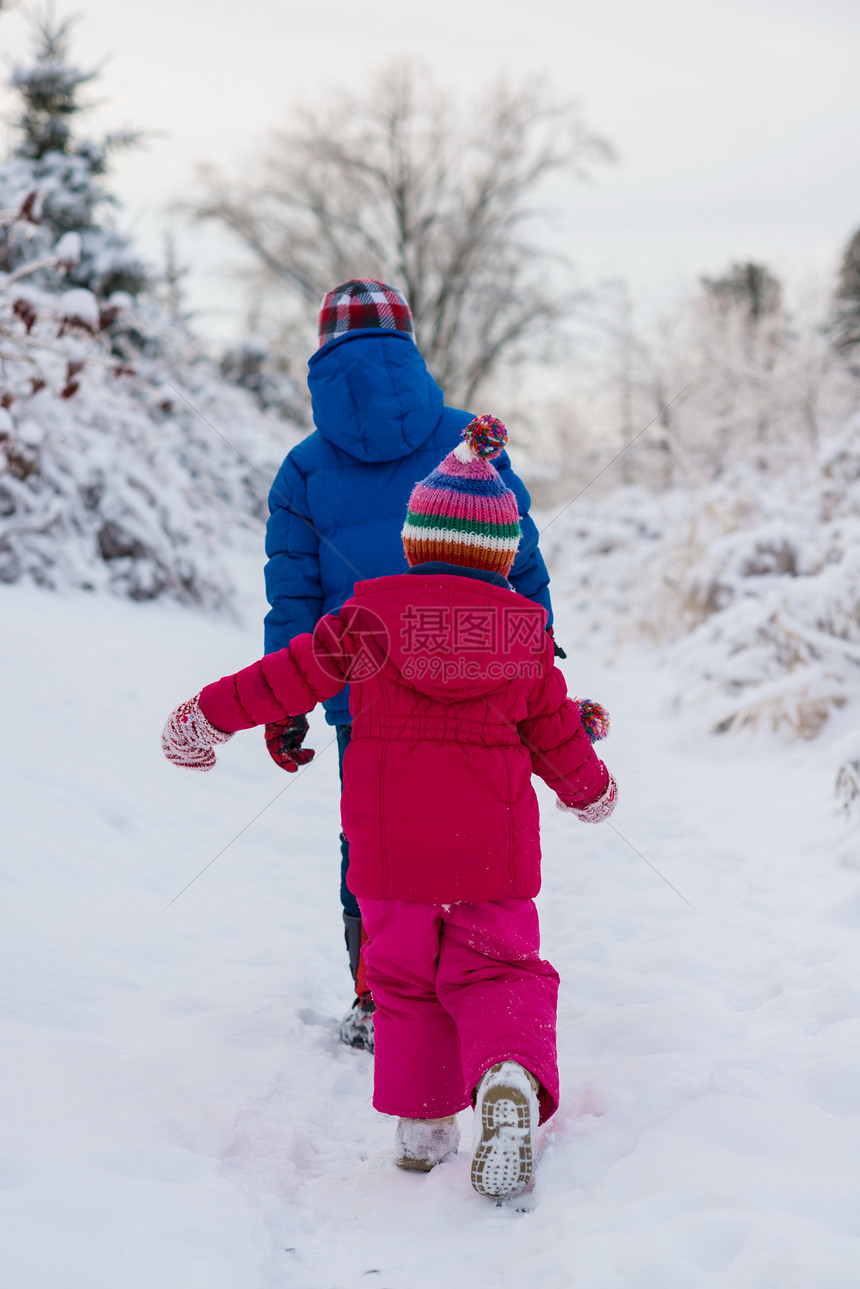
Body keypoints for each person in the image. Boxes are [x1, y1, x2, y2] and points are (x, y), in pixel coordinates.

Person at [162, 414, 616, 1200]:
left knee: (406, 984)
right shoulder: (528, 640)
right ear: (504, 555)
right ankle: (506, 1073)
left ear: (413, 541)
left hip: (388, 860)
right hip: (493, 860)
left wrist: (204, 716)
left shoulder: (366, 619)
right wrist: (593, 788)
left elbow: (284, 677)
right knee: (501, 971)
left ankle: (423, 1127)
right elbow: (553, 739)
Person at [261, 279, 557, 1053]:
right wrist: (539, 658)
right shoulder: (472, 442)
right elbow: (520, 560)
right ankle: (483, 981)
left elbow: (293, 594)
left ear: (323, 354)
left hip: (364, 695)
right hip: (488, 686)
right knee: (479, 831)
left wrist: (285, 703)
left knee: (374, 839)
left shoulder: (303, 469)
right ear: (410, 347)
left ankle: (379, 993)